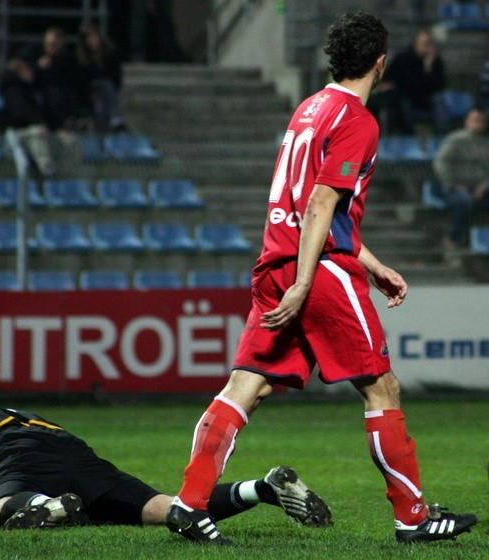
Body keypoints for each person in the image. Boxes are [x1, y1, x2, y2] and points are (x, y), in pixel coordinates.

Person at [165, 12, 477, 546]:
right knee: (382, 387)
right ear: (380, 63)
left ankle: (188, 504)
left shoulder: (309, 108)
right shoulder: (358, 120)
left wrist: (370, 263)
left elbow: (312, 205)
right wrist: (309, 281)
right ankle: (413, 518)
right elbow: (320, 203)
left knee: (247, 386)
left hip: (275, 260)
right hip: (317, 270)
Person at [0, 407, 332, 530]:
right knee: (164, 507)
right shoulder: (18, 414)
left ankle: (47, 506)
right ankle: (261, 489)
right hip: (73, 448)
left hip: (11, 450)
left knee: (1, 512)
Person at [432, 107, 489, 260]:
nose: (479, 124)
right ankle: (451, 239)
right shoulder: (455, 139)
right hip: (453, 186)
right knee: (463, 200)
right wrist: (451, 183)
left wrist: (482, 187)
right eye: (475, 121)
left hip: (479, 188)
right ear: (467, 122)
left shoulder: (486, 143)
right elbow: (440, 163)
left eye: (482, 121)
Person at [368, 29, 447, 134]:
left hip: (427, 97)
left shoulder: (435, 62)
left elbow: (439, 86)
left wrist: (428, 69)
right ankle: (408, 135)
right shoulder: (403, 58)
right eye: (425, 43)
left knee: (439, 100)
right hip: (406, 96)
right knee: (402, 103)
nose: (427, 47)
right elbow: (392, 79)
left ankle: (443, 134)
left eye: (430, 44)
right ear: (416, 44)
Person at [0, 58, 56, 177]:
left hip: (28, 129)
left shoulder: (32, 88)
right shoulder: (13, 90)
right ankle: (47, 170)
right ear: (21, 72)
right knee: (38, 133)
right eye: (28, 70)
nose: (31, 73)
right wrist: (39, 123)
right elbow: (20, 113)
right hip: (15, 131)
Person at [21, 26, 80, 136]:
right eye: (49, 43)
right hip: (37, 93)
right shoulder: (34, 53)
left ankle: (65, 125)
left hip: (59, 98)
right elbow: (23, 73)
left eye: (55, 45)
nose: (52, 47)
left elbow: (73, 82)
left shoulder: (67, 60)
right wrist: (38, 67)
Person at [75, 21, 127, 135]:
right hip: (89, 93)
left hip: (106, 93)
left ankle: (104, 133)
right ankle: (116, 120)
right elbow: (80, 82)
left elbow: (116, 78)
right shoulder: (80, 59)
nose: (92, 41)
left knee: (102, 99)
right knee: (102, 89)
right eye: (88, 38)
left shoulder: (109, 53)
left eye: (93, 36)